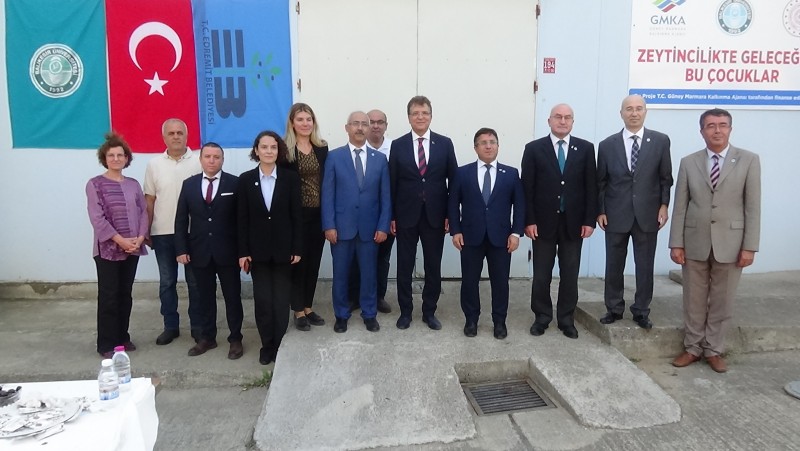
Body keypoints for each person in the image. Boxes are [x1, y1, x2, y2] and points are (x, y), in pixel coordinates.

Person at [669, 108, 761, 373]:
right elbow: (680, 206)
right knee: (693, 299)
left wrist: (749, 246)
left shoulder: (748, 160)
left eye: (722, 125)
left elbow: (752, 207)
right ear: (702, 131)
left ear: (730, 129)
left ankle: (714, 350)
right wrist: (676, 242)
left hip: (731, 243)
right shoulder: (689, 162)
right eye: (710, 126)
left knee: (723, 299)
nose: (717, 130)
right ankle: (692, 348)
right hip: (694, 240)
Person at [596, 95, 673, 330]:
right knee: (614, 265)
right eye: (629, 109)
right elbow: (601, 182)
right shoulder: (607, 145)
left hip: (648, 215)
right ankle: (614, 308)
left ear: (645, 112)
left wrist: (664, 205)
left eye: (639, 108)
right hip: (615, 214)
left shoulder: (660, 141)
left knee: (645, 266)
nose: (634, 113)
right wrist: (600, 210)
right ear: (621, 113)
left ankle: (641, 310)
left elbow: (665, 178)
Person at [522, 104, 597, 339]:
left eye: (567, 117)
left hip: (574, 224)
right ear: (549, 121)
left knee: (570, 274)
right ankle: (542, 317)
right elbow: (527, 188)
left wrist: (589, 220)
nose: (562, 121)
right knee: (541, 275)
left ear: (572, 121)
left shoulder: (585, 148)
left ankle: (566, 319)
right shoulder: (534, 149)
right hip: (542, 224)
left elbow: (591, 187)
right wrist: (529, 220)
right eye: (558, 117)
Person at [389, 96, 458, 330]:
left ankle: (429, 311)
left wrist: (451, 215)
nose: (420, 117)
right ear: (408, 117)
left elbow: (454, 182)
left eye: (424, 113)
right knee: (404, 266)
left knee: (433, 266)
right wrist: (392, 217)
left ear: (431, 115)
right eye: (415, 113)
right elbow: (392, 183)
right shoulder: (398, 145)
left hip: (435, 216)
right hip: (405, 215)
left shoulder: (444, 144)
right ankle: (405, 312)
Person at [448, 128, 524, 339]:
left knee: (500, 282)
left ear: (498, 146)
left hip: (501, 238)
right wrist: (455, 231)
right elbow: (452, 204)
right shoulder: (462, 173)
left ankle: (499, 321)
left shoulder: (511, 174)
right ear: (475, 148)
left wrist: (516, 233)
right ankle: (471, 320)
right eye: (483, 143)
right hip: (470, 236)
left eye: (492, 142)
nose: (488, 146)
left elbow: (519, 205)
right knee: (469, 280)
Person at [322, 111, 392, 333]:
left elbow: (385, 197)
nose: (360, 128)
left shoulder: (380, 159)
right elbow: (327, 195)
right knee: (341, 275)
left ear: (369, 128)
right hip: (341, 228)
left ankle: (369, 314)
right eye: (355, 124)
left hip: (370, 229)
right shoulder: (334, 157)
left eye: (364, 124)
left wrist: (383, 226)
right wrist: (329, 225)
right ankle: (341, 315)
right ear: (347, 128)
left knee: (369, 274)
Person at [238, 131, 303, 365]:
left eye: (273, 147)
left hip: (284, 251)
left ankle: (280, 343)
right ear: (256, 150)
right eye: (264, 147)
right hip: (258, 252)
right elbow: (241, 219)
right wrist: (243, 252)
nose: (268, 151)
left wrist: (297, 248)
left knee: (281, 300)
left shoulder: (290, 178)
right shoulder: (245, 180)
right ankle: (267, 345)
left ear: (279, 151)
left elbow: (297, 216)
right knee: (263, 301)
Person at [175, 143, 244, 359]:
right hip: (199, 251)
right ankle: (207, 337)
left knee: (232, 297)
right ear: (201, 159)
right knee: (204, 297)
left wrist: (243, 251)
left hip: (228, 252)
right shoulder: (189, 185)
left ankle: (235, 339)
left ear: (222, 160)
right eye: (208, 156)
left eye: (216, 157)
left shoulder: (235, 183)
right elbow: (180, 220)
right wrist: (181, 249)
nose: (212, 160)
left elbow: (242, 220)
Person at [86, 132, 149, 358]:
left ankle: (122, 337)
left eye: (120, 155)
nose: (116, 159)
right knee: (109, 296)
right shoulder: (95, 184)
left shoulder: (133, 184)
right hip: (108, 250)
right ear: (104, 158)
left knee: (125, 294)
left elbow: (143, 213)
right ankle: (106, 343)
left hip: (132, 248)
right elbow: (97, 218)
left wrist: (140, 238)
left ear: (126, 158)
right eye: (111, 155)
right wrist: (120, 240)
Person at [143, 118, 201, 345]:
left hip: (192, 232)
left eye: (180, 133)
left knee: (195, 283)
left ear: (186, 136)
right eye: (171, 133)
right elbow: (149, 199)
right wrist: (146, 229)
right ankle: (170, 326)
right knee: (167, 282)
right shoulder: (154, 165)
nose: (176, 136)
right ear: (164, 137)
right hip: (163, 232)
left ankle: (197, 326)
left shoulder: (199, 161)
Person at [280, 103, 329, 332]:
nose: (305, 123)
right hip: (295, 216)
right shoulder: (284, 150)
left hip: (318, 215)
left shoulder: (322, 148)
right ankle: (298, 310)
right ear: (292, 123)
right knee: (298, 263)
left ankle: (308, 306)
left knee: (313, 262)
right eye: (300, 119)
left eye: (309, 119)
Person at [348, 109, 394, 314]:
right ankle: (355, 296)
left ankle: (378, 296)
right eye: (371, 122)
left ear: (386, 125)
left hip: (386, 213)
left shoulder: (395, 148)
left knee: (382, 257)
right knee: (356, 258)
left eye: (380, 122)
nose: (375, 126)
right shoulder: (356, 148)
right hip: (359, 215)